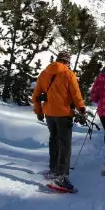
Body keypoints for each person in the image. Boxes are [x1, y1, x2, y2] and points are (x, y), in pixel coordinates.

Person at [32, 51, 86, 192]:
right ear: (67, 61)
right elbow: (75, 93)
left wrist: (38, 111)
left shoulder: (44, 73)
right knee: (65, 144)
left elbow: (36, 94)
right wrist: (81, 107)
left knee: (54, 140)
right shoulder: (69, 74)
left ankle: (53, 170)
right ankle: (62, 176)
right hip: (64, 113)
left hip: (49, 113)